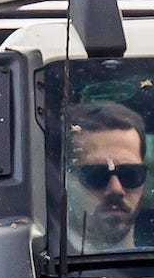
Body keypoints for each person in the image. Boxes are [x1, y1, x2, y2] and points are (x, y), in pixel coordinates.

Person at [63, 101, 147, 251]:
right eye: (96, 175)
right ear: (64, 179)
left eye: (130, 174)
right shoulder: (34, 265)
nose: (116, 189)